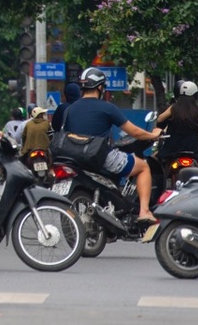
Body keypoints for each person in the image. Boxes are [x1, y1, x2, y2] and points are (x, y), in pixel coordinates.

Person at [60, 65, 161, 226]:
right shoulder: (107, 108)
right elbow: (134, 132)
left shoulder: (70, 110)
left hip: (76, 159)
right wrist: (153, 135)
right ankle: (144, 211)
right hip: (100, 157)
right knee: (143, 167)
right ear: (100, 87)